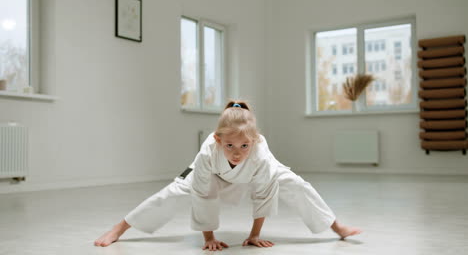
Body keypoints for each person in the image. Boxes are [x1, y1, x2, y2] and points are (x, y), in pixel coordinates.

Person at [94, 100, 362, 251]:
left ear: (254, 140)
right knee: (174, 191)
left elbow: (264, 193)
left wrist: (254, 235)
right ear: (217, 139)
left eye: (244, 145)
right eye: (229, 145)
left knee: (297, 184)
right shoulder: (206, 154)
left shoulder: (261, 154)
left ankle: (336, 227)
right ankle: (120, 228)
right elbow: (204, 195)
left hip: (256, 172)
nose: (236, 152)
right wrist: (209, 238)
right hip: (212, 175)